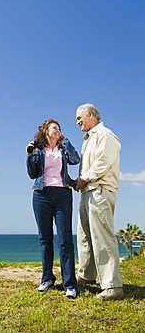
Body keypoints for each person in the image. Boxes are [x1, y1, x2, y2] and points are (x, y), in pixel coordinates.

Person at [74, 103, 124, 301]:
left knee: (102, 237)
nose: (77, 121)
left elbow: (103, 162)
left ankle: (113, 286)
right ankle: (86, 276)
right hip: (88, 192)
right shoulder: (88, 139)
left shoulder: (106, 135)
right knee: (84, 236)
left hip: (100, 191)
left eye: (79, 117)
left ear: (90, 114)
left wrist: (84, 178)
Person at [26, 119, 80, 299]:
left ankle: (70, 284)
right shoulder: (38, 149)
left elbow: (75, 160)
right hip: (41, 194)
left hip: (63, 194)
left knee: (65, 240)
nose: (58, 131)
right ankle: (47, 279)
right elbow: (32, 174)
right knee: (45, 239)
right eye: (55, 128)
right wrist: (29, 154)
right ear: (46, 131)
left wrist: (66, 142)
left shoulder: (63, 148)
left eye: (59, 129)